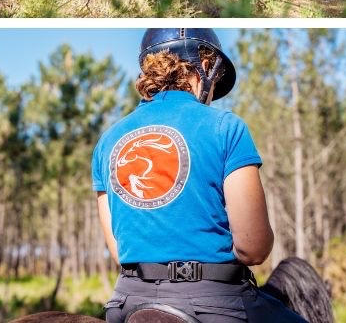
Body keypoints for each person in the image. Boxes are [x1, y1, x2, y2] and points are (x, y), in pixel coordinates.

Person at [92, 28, 306, 323]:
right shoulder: (226, 127)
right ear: (204, 67)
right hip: (214, 303)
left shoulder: (107, 141)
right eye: (214, 77)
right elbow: (252, 248)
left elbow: (119, 252)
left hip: (126, 300)